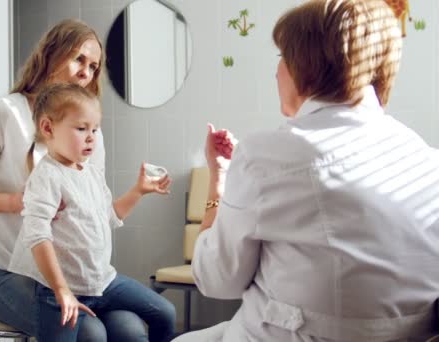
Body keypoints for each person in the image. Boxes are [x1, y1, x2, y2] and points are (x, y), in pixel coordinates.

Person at [175, 0, 439, 341]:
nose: (276, 72)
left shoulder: (264, 156)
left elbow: (216, 280)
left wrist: (218, 180)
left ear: (305, 66)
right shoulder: (427, 161)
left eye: (281, 57)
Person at [0, 19, 150, 341]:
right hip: (9, 273)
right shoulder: (4, 113)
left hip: (76, 278)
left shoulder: (89, 134)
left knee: (130, 330)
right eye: (79, 59)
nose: (86, 72)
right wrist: (16, 202)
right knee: (90, 334)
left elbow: (98, 209)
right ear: (51, 54)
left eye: (94, 67)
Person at [8, 83, 176, 342]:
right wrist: (62, 290)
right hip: (62, 289)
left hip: (103, 281)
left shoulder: (91, 172)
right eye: (81, 128)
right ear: (48, 127)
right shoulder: (47, 177)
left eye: (95, 129)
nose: (91, 137)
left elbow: (108, 216)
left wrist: (138, 191)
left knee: (165, 312)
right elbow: (37, 236)